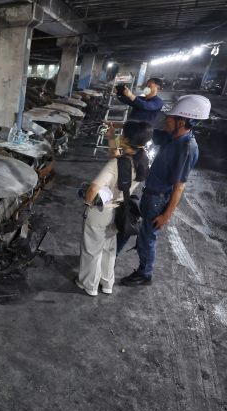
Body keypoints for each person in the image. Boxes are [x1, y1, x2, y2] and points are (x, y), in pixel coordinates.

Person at [119, 95, 211, 286]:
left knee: (147, 238)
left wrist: (165, 216)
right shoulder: (173, 137)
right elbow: (149, 133)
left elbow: (179, 187)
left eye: (171, 117)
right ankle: (111, 256)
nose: (166, 119)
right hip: (149, 194)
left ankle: (144, 275)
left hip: (157, 200)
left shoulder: (187, 147)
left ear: (182, 121)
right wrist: (120, 126)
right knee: (128, 227)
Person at [76, 120, 153, 296]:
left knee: (91, 249)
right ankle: (107, 283)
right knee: (108, 248)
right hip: (120, 211)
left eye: (121, 134)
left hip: (100, 211)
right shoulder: (141, 161)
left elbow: (93, 189)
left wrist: (88, 202)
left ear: (126, 139)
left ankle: (88, 285)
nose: (120, 135)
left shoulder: (115, 166)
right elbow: (117, 158)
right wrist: (111, 137)